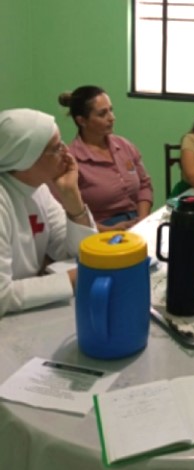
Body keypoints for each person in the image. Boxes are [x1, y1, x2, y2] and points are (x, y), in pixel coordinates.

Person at [0, 108, 98, 318]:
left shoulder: (38, 189)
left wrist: (72, 195)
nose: (67, 153)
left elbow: (80, 254)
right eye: (56, 148)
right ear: (26, 158)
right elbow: (1, 296)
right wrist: (75, 279)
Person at [58, 85, 153, 231]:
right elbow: (63, 215)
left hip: (137, 223)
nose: (112, 118)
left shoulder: (124, 146)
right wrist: (109, 231)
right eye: (102, 114)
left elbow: (144, 186)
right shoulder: (71, 161)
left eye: (111, 110)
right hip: (98, 231)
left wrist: (142, 221)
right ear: (82, 121)